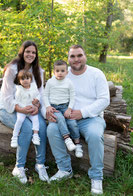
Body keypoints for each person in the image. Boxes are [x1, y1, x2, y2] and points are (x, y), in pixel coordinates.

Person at [46, 45, 110, 195]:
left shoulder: (96, 74)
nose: (76, 59)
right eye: (72, 56)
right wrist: (47, 111)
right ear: (68, 59)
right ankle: (64, 169)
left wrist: (82, 112)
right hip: (65, 118)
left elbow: (104, 100)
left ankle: (96, 177)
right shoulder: (61, 74)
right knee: (52, 129)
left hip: (91, 118)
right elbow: (47, 96)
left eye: (79, 55)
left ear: (85, 56)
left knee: (95, 135)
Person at [0, 40, 49, 184]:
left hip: (29, 108)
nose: (30, 54)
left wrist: (37, 106)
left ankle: (40, 164)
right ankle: (18, 167)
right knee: (26, 128)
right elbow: (6, 97)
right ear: (22, 52)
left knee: (42, 127)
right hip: (8, 108)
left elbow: (41, 93)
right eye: (28, 51)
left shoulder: (39, 71)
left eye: (33, 52)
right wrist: (19, 108)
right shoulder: (12, 69)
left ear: (36, 55)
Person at [43, 60, 83, 158]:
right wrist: (48, 106)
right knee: (60, 119)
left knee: (72, 123)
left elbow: (73, 96)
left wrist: (69, 108)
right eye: (57, 71)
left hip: (65, 107)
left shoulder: (69, 82)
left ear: (66, 72)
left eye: (62, 71)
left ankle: (77, 144)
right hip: (54, 107)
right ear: (54, 72)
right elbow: (45, 95)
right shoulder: (50, 82)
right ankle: (67, 139)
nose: (60, 73)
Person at [11, 70, 41, 148]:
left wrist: (37, 100)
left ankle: (35, 135)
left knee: (35, 119)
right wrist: (22, 108)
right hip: (22, 108)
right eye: (22, 79)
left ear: (30, 79)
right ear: (19, 81)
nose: (25, 81)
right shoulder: (19, 89)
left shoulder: (34, 86)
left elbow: (38, 95)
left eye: (27, 78)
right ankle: (14, 137)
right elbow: (16, 101)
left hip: (32, 109)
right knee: (20, 120)